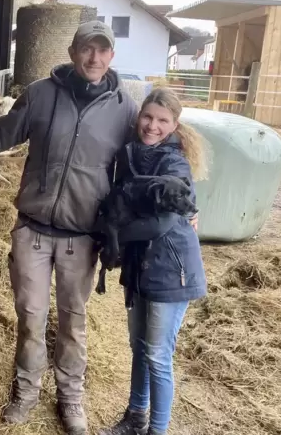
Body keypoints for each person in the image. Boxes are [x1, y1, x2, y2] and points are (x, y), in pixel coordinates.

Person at [0, 20, 139, 435]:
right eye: (87, 49)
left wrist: (180, 203)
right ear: (73, 52)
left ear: (111, 56)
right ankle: (27, 391)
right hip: (33, 230)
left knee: (73, 319)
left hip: (82, 236)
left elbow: (141, 162)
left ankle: (71, 399)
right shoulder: (40, 94)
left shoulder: (124, 108)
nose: (94, 58)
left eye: (102, 50)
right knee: (31, 315)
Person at [97, 87, 208, 435]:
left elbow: (161, 223)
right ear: (138, 117)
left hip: (170, 270)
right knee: (139, 347)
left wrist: (111, 235)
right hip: (139, 266)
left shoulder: (173, 163)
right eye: (147, 116)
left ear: (174, 126)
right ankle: (135, 418)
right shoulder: (129, 156)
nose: (152, 126)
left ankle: (156, 431)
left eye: (162, 120)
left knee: (158, 356)